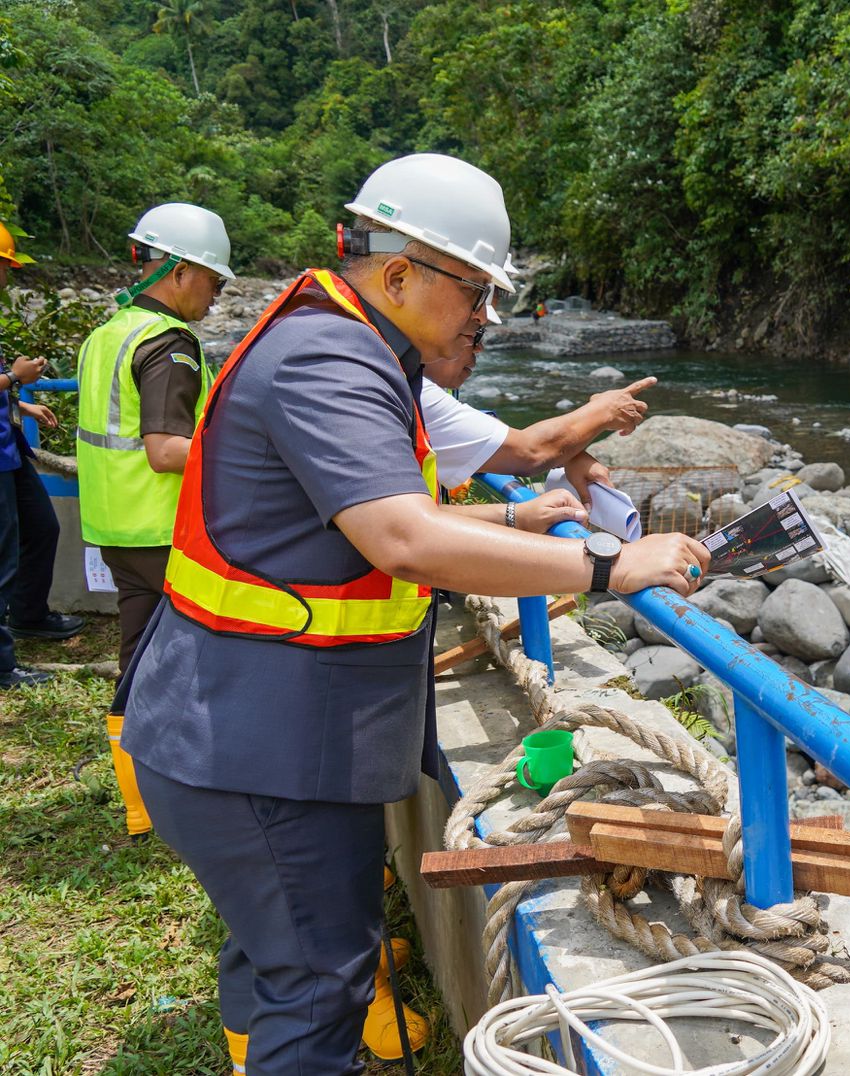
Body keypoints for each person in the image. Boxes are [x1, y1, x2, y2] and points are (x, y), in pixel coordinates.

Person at [118, 152, 709, 1075]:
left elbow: (373, 518)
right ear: (399, 274)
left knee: (287, 949)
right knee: (318, 987)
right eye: (476, 291)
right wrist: (611, 564)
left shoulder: (353, 346)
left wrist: (511, 519)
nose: (485, 316)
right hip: (253, 744)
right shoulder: (327, 360)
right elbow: (402, 537)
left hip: (253, 725)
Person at [75, 202, 232, 838]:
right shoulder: (169, 343)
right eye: (213, 280)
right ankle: (195, 800)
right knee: (200, 667)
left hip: (117, 525)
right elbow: (166, 450)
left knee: (139, 659)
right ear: (181, 270)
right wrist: (251, 454)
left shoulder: (109, 333)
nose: (216, 296)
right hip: (166, 531)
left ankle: (141, 807)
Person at [0, 221, 78, 688]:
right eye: (5, 266)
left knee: (42, 528)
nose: (6, 277)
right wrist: (15, 378)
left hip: (9, 449)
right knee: (1, 556)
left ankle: (29, 614)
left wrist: (19, 402)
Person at [421, 341, 655, 494]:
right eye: (472, 332)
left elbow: (496, 434)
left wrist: (568, 454)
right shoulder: (419, 393)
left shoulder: (413, 384)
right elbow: (530, 452)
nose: (479, 347)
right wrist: (604, 410)